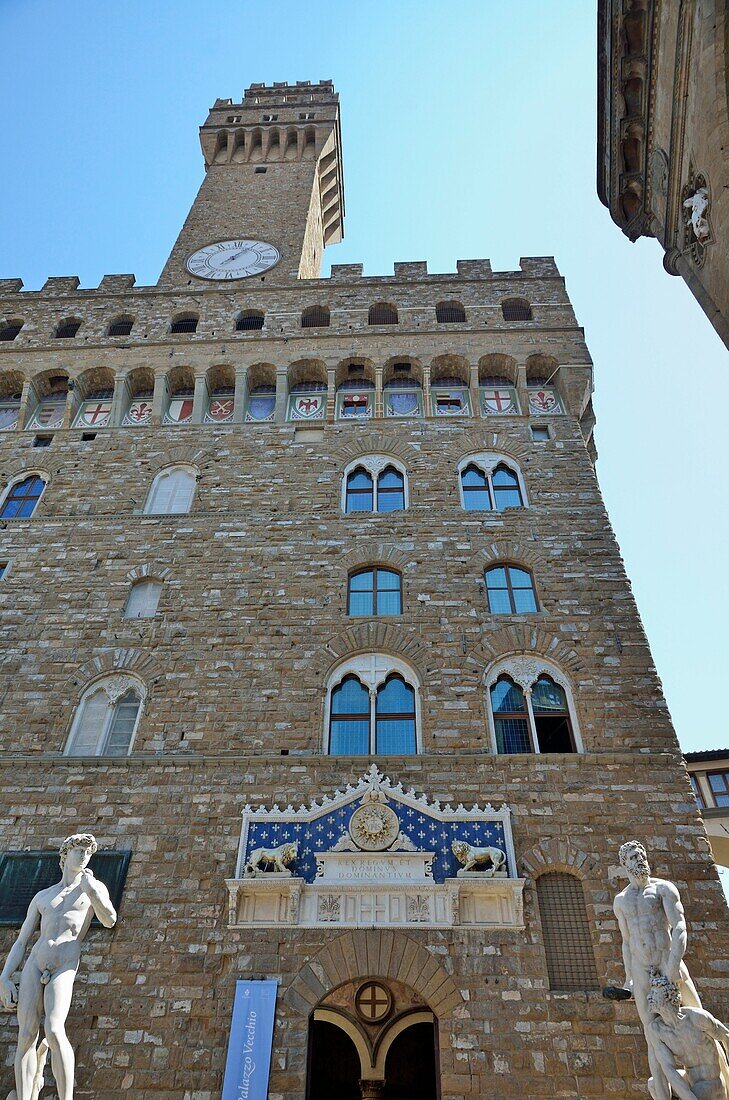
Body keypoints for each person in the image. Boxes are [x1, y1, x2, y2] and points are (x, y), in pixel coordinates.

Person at [0, 833, 117, 1100]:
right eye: (79, 850)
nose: (84, 855)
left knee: (53, 1029)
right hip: (34, 963)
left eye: (88, 852)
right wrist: (5, 977)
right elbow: (21, 941)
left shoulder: (91, 888)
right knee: (26, 1035)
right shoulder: (44, 896)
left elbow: (109, 919)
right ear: (65, 856)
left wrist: (93, 890)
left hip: (64, 964)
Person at [613, 840, 705, 1099]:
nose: (639, 859)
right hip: (642, 970)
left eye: (641, 854)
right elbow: (627, 942)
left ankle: (715, 1071)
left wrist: (674, 965)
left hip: (668, 960)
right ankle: (663, 1095)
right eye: (632, 856)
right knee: (652, 1035)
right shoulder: (621, 901)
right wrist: (630, 979)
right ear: (624, 863)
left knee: (697, 1017)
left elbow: (679, 928)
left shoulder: (664, 888)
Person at [647, 972, 729, 1100]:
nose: (648, 998)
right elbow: (669, 1070)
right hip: (690, 1080)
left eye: (654, 993)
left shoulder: (696, 1017)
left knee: (699, 1090)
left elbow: (726, 1036)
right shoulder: (657, 1029)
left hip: (712, 1084)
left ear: (668, 996)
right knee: (653, 1084)